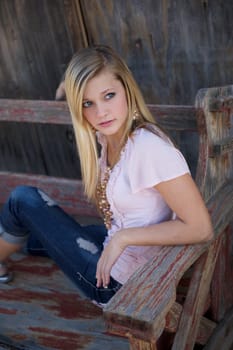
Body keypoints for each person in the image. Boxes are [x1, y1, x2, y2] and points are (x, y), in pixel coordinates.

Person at [0, 45, 213, 305]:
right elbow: (88, 94)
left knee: (24, 199)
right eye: (87, 103)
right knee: (33, 233)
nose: (100, 112)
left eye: (109, 95)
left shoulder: (150, 149)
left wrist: (123, 239)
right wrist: (69, 86)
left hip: (117, 284)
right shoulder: (110, 137)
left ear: (127, 90)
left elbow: (201, 228)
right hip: (115, 247)